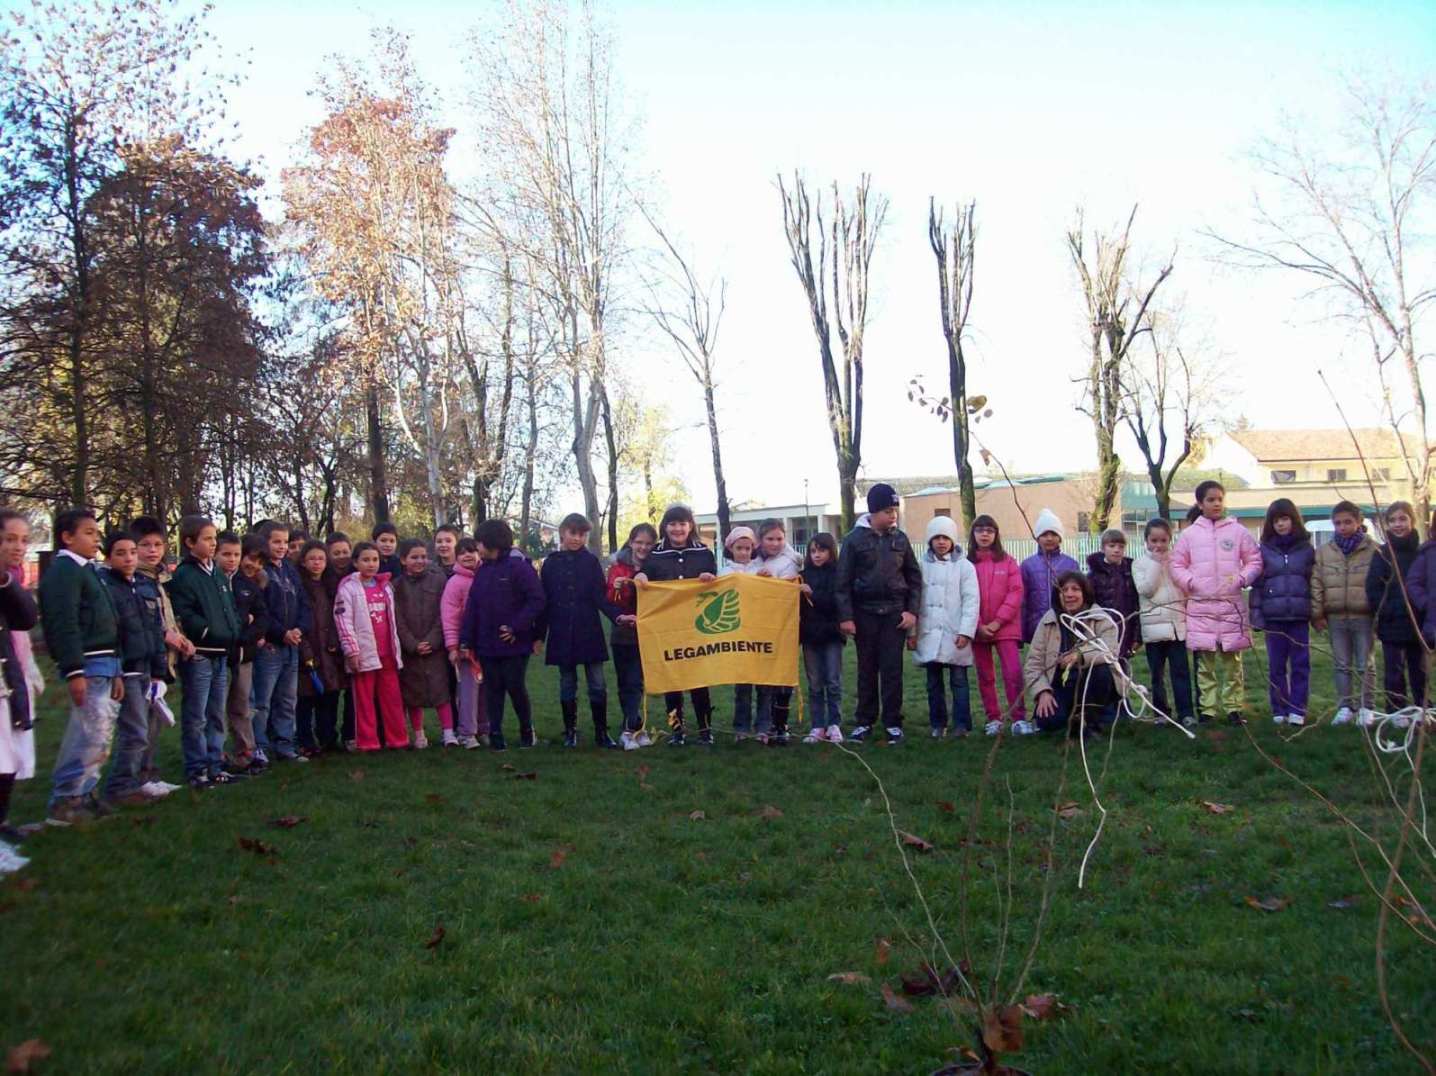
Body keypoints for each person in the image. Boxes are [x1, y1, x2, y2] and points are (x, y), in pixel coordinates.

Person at [836, 483, 922, 745]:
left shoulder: (901, 539)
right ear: (873, 512)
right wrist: (846, 617)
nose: (892, 515)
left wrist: (911, 612)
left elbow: (914, 578)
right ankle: (864, 722)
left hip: (894, 615)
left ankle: (893, 723)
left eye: (894, 510)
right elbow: (842, 582)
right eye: (887, 510)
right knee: (866, 670)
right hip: (865, 615)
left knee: (892, 671)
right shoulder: (853, 540)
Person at [1170, 480, 1262, 726]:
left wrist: (1242, 579)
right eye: (1211, 500)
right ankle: (1208, 710)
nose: (1216, 503)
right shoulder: (1189, 535)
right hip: (1201, 607)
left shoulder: (1238, 532)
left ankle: (1234, 708)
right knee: (1205, 664)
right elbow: (1176, 565)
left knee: (1233, 663)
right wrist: (1191, 582)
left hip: (1231, 605)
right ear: (1200, 504)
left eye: (1220, 499)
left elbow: (1254, 560)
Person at [166, 514, 242, 789]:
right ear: (189, 542)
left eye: (214, 538)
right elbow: (184, 612)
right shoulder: (185, 575)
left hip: (221, 651)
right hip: (200, 653)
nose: (213, 543)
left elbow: (228, 606)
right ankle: (196, 768)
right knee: (196, 714)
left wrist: (234, 628)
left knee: (216, 712)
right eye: (207, 539)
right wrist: (207, 631)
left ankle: (215, 763)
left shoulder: (218, 572)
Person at [634, 505, 718, 747]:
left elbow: (715, 582)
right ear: (665, 527)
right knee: (671, 682)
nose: (677, 528)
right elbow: (645, 579)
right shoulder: (655, 554)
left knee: (699, 680)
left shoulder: (704, 552)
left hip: (696, 628)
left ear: (690, 525)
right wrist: (641, 577)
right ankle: (677, 731)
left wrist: (709, 578)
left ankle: (705, 730)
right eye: (672, 524)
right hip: (667, 628)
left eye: (682, 523)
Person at [539, 514, 624, 749]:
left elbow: (600, 596)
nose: (577, 538)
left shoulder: (591, 562)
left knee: (597, 683)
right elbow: (544, 601)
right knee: (567, 682)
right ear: (563, 533)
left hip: (589, 630)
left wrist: (617, 616)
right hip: (561, 631)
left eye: (582, 534)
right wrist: (539, 635)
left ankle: (601, 732)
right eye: (573, 533)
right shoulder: (551, 563)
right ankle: (570, 731)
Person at [98, 528, 170, 805]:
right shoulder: (107, 587)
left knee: (142, 731)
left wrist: (159, 670)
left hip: (145, 667)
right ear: (108, 558)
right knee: (135, 731)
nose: (129, 558)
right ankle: (120, 786)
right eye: (121, 553)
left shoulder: (143, 585)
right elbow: (112, 632)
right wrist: (117, 666)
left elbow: (154, 629)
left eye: (131, 552)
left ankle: (131, 782)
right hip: (125, 668)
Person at [460, 520, 545, 752]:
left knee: (515, 685)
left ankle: (527, 730)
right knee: (493, 688)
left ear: (491, 542)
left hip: (515, 642)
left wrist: (516, 627)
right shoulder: (483, 571)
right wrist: (466, 639)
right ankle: (495, 733)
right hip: (486, 642)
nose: (477, 547)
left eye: (479, 542)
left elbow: (536, 600)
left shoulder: (519, 568)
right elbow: (473, 606)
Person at [130, 515, 191, 792]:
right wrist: (167, 635)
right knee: (139, 724)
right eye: (145, 545)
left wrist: (179, 636)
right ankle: (135, 779)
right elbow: (140, 623)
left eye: (157, 544)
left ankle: (149, 774)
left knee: (153, 721)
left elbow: (167, 617)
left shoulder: (160, 579)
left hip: (162, 660)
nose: (153, 551)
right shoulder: (134, 581)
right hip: (142, 661)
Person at [333, 541, 406, 751]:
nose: (371, 564)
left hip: (388, 653)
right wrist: (352, 651)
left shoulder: (385, 586)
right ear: (355, 563)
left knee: (392, 698)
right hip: (363, 653)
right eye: (365, 560)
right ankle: (368, 741)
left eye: (374, 560)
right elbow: (343, 621)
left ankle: (397, 739)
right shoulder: (347, 588)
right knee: (364, 700)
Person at [1026, 572, 1120, 737]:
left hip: (1091, 682)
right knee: (1049, 722)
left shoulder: (1101, 618)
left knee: (1102, 671)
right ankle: (1073, 716)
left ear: (1085, 593)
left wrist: (1080, 656)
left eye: (1075, 589)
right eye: (1064, 590)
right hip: (1060, 685)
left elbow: (1110, 651)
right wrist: (1042, 692)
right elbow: (1033, 663)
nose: (1069, 594)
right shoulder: (1048, 621)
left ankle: (1090, 719)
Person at [911, 516, 979, 738]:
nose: (941, 542)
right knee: (933, 683)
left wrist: (966, 631)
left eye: (945, 537)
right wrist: (912, 633)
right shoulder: (920, 567)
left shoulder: (965, 567)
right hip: (929, 633)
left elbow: (971, 600)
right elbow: (914, 601)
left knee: (959, 681)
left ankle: (961, 725)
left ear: (953, 540)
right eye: (937, 537)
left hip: (955, 633)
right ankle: (937, 724)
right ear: (930, 540)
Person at [1249, 499, 1315, 726]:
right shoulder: (1264, 550)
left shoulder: (1306, 549)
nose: (1281, 524)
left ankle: (1297, 708)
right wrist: (1256, 617)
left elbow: (1314, 582)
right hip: (1274, 617)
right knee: (1276, 665)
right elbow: (1257, 585)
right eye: (1276, 520)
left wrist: (1316, 612)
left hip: (1298, 616)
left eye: (1285, 519)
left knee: (1300, 665)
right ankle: (1279, 708)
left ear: (1293, 520)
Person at [1311, 501, 1377, 726]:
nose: (1342, 527)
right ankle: (1345, 706)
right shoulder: (1324, 552)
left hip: (1364, 616)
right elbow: (1317, 583)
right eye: (1337, 523)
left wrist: (1378, 612)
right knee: (1341, 664)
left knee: (1365, 664)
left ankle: (1367, 707)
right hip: (1336, 616)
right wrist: (1317, 613)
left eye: (1348, 522)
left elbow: (1381, 584)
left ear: (1359, 522)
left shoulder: (1374, 550)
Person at [253, 521, 312, 764]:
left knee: (288, 699)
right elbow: (261, 609)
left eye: (284, 542)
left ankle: (285, 744)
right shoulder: (260, 571)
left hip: (292, 645)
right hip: (270, 645)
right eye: (276, 541)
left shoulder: (289, 569)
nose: (281, 546)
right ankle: (259, 746)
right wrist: (281, 633)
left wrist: (299, 628)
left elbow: (304, 604)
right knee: (263, 700)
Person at [0, 509, 40, 868]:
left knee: (10, 755)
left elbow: (26, 617)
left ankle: (3, 821)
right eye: (10, 539)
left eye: (24, 540)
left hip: (9, 677)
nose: (18, 547)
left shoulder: (10, 580)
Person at [1131, 519, 1195, 728]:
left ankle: (1186, 712)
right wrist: (1157, 565)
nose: (1158, 545)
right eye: (1153, 540)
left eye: (1163, 540)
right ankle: (1161, 712)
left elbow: (1184, 589)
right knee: (1157, 674)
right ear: (1146, 540)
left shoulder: (1177, 561)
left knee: (1180, 672)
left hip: (1176, 627)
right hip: (1154, 629)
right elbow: (1146, 590)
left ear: (1170, 540)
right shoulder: (1139, 564)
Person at [968, 514, 1027, 736]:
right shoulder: (967, 564)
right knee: (985, 675)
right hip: (978, 629)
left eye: (989, 530)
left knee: (1012, 673)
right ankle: (993, 718)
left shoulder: (1008, 561)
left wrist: (997, 622)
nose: (985, 534)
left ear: (996, 534)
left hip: (1006, 628)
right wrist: (979, 625)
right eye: (980, 530)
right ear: (973, 534)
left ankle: (1018, 718)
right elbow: (965, 596)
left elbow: (1015, 593)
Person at [394, 538, 453, 749]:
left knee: (440, 690)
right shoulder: (396, 586)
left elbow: (443, 614)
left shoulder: (438, 581)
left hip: (434, 647)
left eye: (423, 557)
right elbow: (397, 619)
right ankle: (419, 734)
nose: (420, 561)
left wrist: (432, 640)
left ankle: (448, 732)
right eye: (414, 557)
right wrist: (411, 643)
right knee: (413, 694)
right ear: (403, 560)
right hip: (410, 650)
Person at [1366, 501, 1425, 714]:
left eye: (1402, 519)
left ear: (1412, 520)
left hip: (1418, 621)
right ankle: (1395, 709)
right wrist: (1386, 611)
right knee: (1394, 669)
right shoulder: (1381, 554)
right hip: (1391, 621)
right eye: (1392, 520)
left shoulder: (1422, 553)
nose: (1397, 524)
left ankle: (1422, 707)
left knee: (1419, 669)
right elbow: (1373, 588)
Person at [752, 519, 802, 745]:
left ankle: (781, 724)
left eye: (779, 538)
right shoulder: (754, 560)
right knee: (764, 678)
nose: (775, 543)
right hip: (760, 625)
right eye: (770, 539)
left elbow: (788, 590)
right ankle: (765, 724)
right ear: (761, 540)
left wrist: (770, 582)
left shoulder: (791, 560)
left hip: (785, 626)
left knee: (783, 675)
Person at [607, 523, 656, 750]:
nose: (643, 547)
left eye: (648, 543)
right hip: (622, 634)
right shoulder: (618, 567)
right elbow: (611, 601)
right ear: (631, 542)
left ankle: (634, 727)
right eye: (639, 542)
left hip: (648, 633)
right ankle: (631, 728)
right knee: (625, 681)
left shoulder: (656, 565)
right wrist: (617, 588)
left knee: (636, 681)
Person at [226, 534, 269, 774]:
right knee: (216, 708)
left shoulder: (252, 586)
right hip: (221, 651)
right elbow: (227, 617)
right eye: (251, 559)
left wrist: (248, 633)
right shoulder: (225, 581)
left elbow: (262, 617)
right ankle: (213, 755)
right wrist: (245, 620)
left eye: (260, 562)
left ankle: (246, 751)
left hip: (245, 653)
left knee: (242, 704)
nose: (254, 565)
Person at [297, 540, 345, 754]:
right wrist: (305, 650)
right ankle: (306, 740)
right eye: (312, 559)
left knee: (330, 695)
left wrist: (336, 640)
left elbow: (338, 616)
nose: (317, 563)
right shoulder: (300, 586)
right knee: (307, 697)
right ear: (304, 562)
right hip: (308, 645)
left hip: (329, 648)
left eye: (321, 559)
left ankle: (328, 737)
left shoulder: (330, 585)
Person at [799, 533, 845, 744]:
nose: (817, 555)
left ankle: (834, 724)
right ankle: (817, 725)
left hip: (832, 634)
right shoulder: (802, 575)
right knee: (815, 683)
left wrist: (811, 595)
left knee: (833, 681)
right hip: (809, 636)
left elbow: (836, 603)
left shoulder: (838, 574)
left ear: (831, 551)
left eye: (822, 550)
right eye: (813, 551)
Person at [441, 537, 485, 749]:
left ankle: (484, 727)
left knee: (487, 688)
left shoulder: (486, 575)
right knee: (469, 689)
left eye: (472, 551)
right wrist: (453, 646)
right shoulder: (455, 583)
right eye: (463, 552)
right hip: (465, 645)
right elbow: (449, 617)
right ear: (456, 557)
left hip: (487, 643)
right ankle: (467, 732)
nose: (468, 556)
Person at [720, 526, 763, 740]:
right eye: (739, 548)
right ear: (731, 548)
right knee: (743, 686)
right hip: (738, 636)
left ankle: (764, 727)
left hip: (762, 634)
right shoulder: (725, 572)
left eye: (748, 548)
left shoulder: (761, 568)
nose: (744, 552)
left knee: (765, 683)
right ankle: (741, 728)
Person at [1020, 509, 1078, 645]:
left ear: (1060, 537)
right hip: (1036, 626)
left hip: (1064, 623)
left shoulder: (1071, 564)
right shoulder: (1027, 565)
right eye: (1044, 534)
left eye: (1054, 534)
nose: (1049, 538)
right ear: (1037, 537)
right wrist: (1021, 632)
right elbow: (1022, 601)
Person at [1086, 529, 1140, 660]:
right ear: (1103, 548)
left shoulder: (1131, 573)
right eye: (1112, 546)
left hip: (1127, 627)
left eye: (1121, 547)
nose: (1116, 550)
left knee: (1122, 664)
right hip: (1103, 628)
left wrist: (1138, 635)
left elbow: (1137, 604)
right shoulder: (1094, 576)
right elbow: (1089, 605)